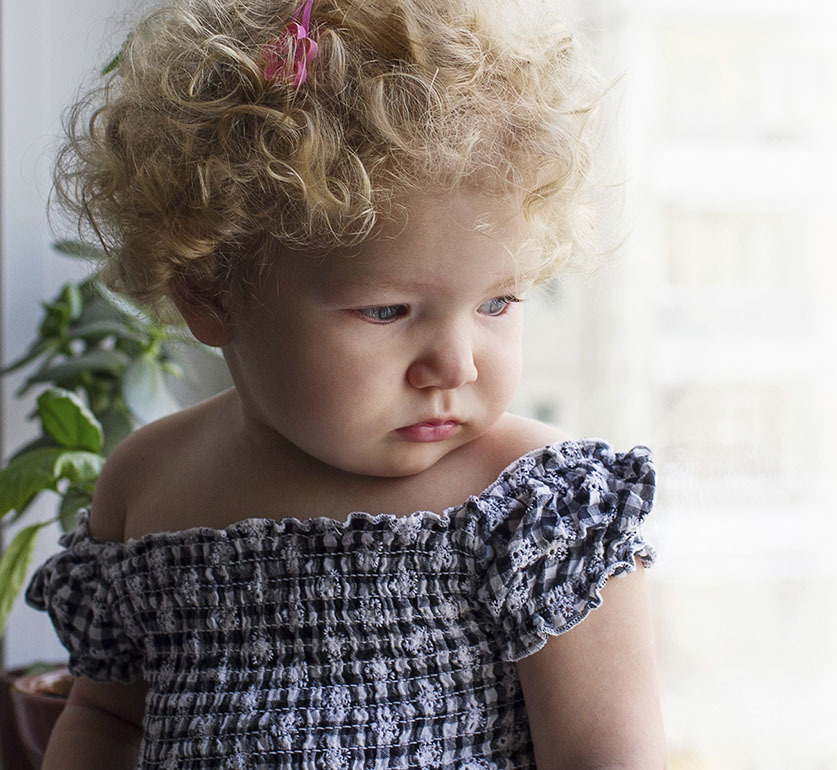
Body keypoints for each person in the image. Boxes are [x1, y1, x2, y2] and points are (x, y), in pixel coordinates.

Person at [26, 0, 665, 767]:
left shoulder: (533, 507)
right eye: (388, 310)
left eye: (497, 302)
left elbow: (605, 756)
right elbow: (107, 720)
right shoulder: (150, 483)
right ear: (212, 296)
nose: (457, 365)